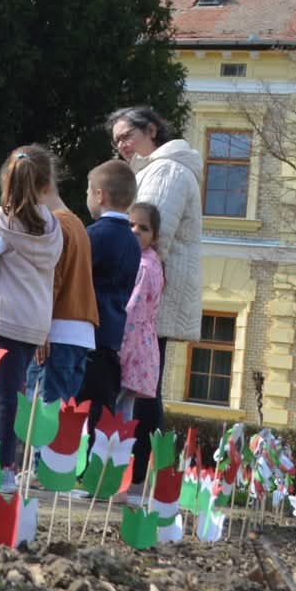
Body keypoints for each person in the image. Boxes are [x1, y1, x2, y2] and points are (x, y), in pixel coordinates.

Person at [108, 105, 204, 486]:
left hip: (149, 300)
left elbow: (149, 236)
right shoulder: (156, 170)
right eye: (116, 141)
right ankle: (136, 475)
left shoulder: (166, 170)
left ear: (151, 129)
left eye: (126, 136)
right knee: (143, 384)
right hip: (150, 298)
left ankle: (137, 476)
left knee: (143, 387)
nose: (121, 146)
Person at [0, 148, 62, 493]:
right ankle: (7, 460)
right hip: (35, 320)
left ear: (7, 179)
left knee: (3, 396)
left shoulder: (0, 223)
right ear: (46, 185)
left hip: (5, 317)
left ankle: (2, 466)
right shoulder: (53, 228)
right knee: (16, 395)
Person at [24, 145, 98, 404]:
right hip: (77, 335)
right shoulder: (75, 223)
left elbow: (49, 280)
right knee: (55, 430)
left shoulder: (52, 225)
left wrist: (40, 330)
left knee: (40, 428)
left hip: (54, 334)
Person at [80, 160, 141, 418]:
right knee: (102, 413)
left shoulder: (93, 235)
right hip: (113, 337)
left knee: (79, 412)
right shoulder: (133, 241)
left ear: (99, 195)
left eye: (87, 191)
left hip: (87, 335)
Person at [120, 203, 165, 414]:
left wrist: (118, 352)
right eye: (131, 225)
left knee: (114, 413)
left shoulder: (143, 267)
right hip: (143, 349)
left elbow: (132, 316)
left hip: (132, 349)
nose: (135, 231)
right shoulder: (152, 263)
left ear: (155, 237)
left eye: (143, 228)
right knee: (123, 414)